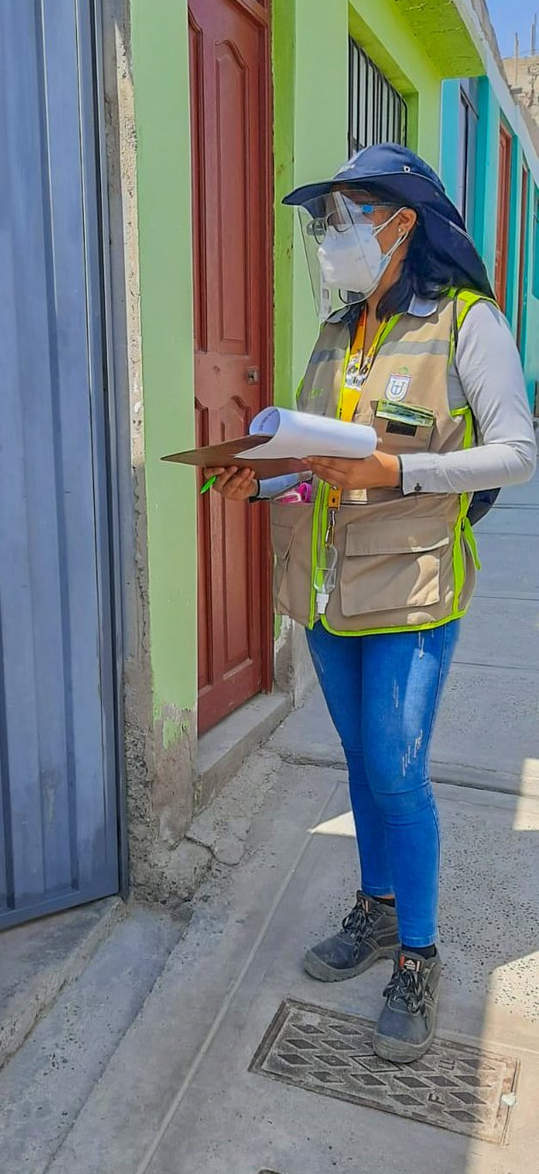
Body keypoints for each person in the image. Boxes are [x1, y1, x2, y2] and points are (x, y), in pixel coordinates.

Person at [205, 144, 536, 1063]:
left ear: (402, 224)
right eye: (325, 220)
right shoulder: (337, 331)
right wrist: (258, 484)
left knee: (396, 770)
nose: (330, 236)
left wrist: (399, 467)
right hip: (325, 588)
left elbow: (516, 451)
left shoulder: (471, 323)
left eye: (345, 216)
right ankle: (379, 908)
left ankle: (420, 954)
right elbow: (315, 463)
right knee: (360, 762)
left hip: (414, 586)